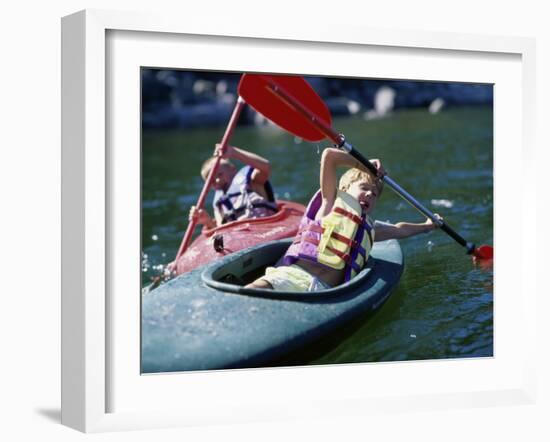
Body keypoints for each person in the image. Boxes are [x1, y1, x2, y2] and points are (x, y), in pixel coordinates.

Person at [246, 147, 441, 291]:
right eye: (364, 188)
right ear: (345, 190)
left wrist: (427, 226)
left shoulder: (370, 229)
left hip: (327, 291)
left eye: (374, 194)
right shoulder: (329, 200)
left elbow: (400, 230)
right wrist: (363, 164)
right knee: (254, 291)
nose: (370, 195)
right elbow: (329, 157)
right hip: (293, 277)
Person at [189, 143, 278, 229]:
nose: (217, 180)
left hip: (264, 229)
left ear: (232, 169)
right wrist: (207, 221)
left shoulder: (253, 181)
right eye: (211, 181)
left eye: (220, 174)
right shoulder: (219, 202)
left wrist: (234, 153)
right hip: (241, 239)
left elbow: (266, 167)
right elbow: (221, 229)